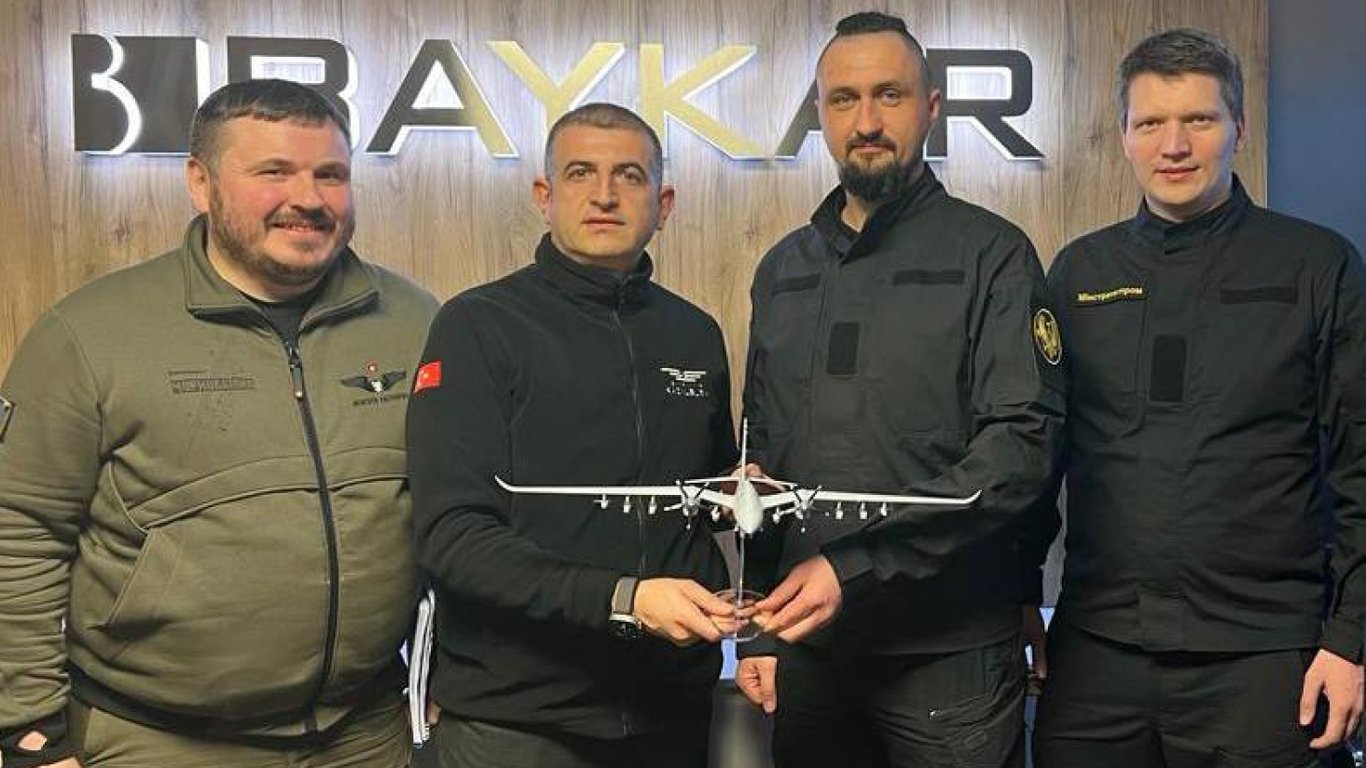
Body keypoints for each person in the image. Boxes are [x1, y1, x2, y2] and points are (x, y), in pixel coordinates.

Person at [0, 79, 438, 768]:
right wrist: (29, 731)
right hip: (158, 738)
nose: (309, 198)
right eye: (273, 172)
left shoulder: (417, 321)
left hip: (365, 732)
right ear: (200, 183)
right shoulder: (88, 334)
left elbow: (458, 513)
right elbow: (18, 532)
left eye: (330, 174)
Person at [734, 11, 1065, 768]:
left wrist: (856, 567)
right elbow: (763, 456)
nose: (867, 122)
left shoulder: (993, 255)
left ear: (931, 107)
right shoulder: (783, 270)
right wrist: (758, 628)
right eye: (844, 99)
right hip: (811, 653)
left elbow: (1020, 451)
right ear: (820, 114)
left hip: (950, 660)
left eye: (890, 95)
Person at [1033, 28, 1366, 767]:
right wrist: (1021, 595)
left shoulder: (1317, 266)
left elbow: (1360, 465)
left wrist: (1352, 640)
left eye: (1200, 120)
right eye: (1151, 122)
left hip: (1263, 655)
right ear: (1124, 136)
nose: (1175, 145)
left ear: (1239, 127)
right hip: (1096, 651)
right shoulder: (1079, 273)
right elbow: (1037, 458)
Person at [406, 102, 739, 768]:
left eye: (630, 176)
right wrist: (624, 600)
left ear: (664, 204)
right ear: (545, 196)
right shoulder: (477, 327)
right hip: (519, 722)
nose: (605, 194)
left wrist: (736, 494)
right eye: (581, 172)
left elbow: (699, 503)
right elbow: (452, 535)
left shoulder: (694, 334)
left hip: (670, 711)